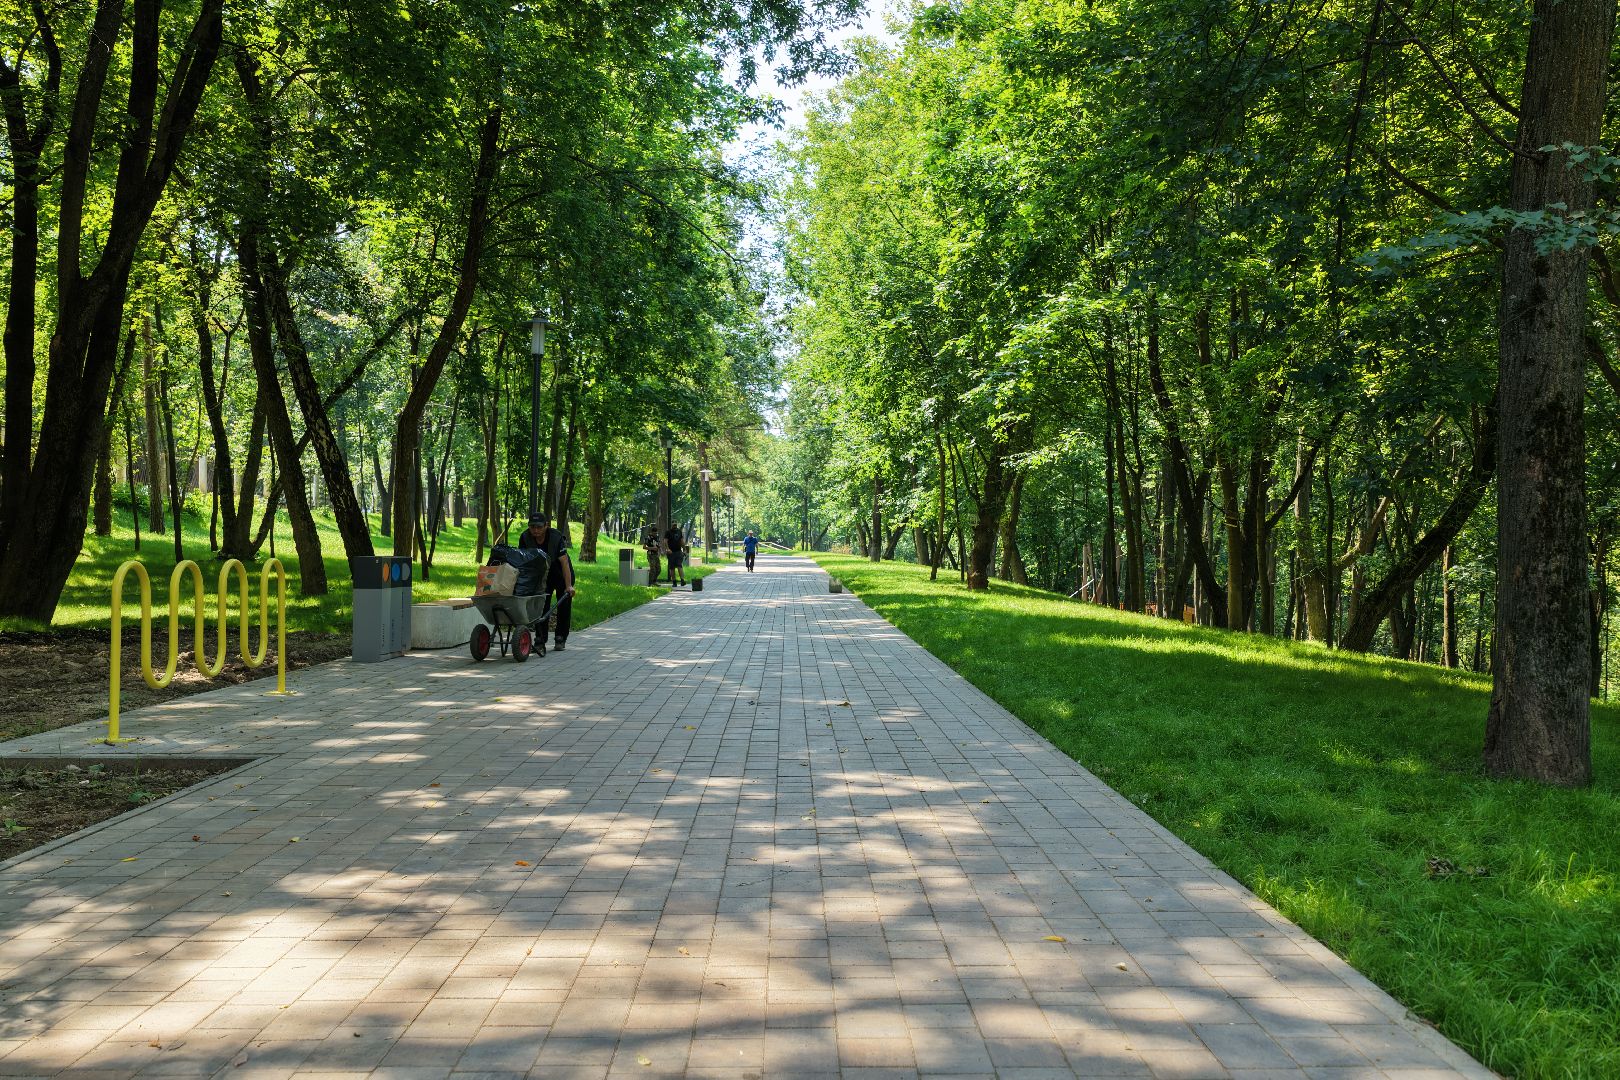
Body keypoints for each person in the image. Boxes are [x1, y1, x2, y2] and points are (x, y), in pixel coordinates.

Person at [518, 513, 575, 651]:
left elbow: (564, 562)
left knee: (564, 605)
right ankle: (540, 639)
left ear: (546, 526)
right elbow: (523, 563)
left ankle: (561, 637)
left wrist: (568, 586)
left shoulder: (556, 537)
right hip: (542, 575)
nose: (535, 531)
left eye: (539, 527)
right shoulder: (525, 537)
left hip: (561, 573)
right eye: (532, 527)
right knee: (541, 605)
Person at [663, 523, 687, 587]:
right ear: (671, 525)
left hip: (678, 551)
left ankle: (682, 580)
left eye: (675, 525)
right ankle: (674, 582)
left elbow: (681, 541)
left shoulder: (679, 531)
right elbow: (665, 541)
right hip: (671, 552)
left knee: (679, 565)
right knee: (672, 567)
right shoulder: (668, 532)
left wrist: (684, 549)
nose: (675, 526)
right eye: (673, 525)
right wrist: (668, 549)